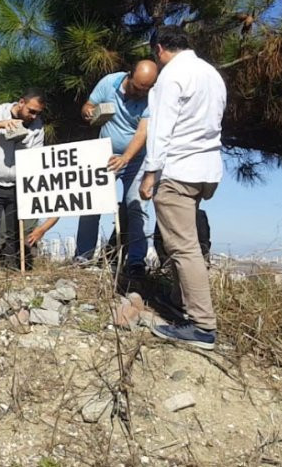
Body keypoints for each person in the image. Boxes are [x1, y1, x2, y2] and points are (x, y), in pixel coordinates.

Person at [139, 25, 227, 351]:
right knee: (184, 241)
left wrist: (151, 174)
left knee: (183, 246)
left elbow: (160, 131)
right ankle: (182, 303)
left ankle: (202, 326)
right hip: (207, 170)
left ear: (159, 48)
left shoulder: (170, 77)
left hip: (179, 169)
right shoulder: (211, 73)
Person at [74, 60, 159, 277]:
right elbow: (89, 104)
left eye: (146, 89)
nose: (141, 93)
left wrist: (127, 158)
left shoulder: (152, 96)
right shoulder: (109, 82)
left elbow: (143, 132)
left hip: (136, 160)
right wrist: (88, 111)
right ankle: (82, 257)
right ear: (129, 76)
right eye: (138, 88)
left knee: (137, 207)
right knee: (91, 205)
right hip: (104, 156)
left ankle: (136, 262)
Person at [0, 88, 47, 270]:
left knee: (14, 231)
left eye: (38, 113)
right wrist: (1, 124)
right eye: (31, 111)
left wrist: (23, 140)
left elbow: (36, 156)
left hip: (17, 184)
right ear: (21, 103)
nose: (34, 116)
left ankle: (11, 270)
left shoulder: (37, 126)